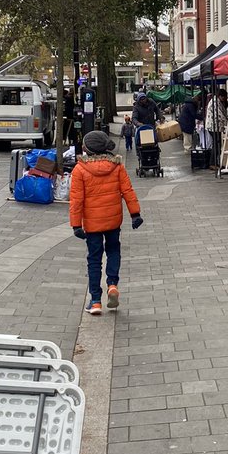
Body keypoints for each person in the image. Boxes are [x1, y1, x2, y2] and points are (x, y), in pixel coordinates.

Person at [69, 129, 143, 315]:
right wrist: (135, 214)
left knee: (94, 259)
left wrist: (76, 225)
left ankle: (95, 301)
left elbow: (76, 200)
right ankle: (112, 285)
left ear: (88, 149)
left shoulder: (80, 170)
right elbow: (128, 191)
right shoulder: (117, 166)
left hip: (92, 224)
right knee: (113, 251)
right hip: (113, 220)